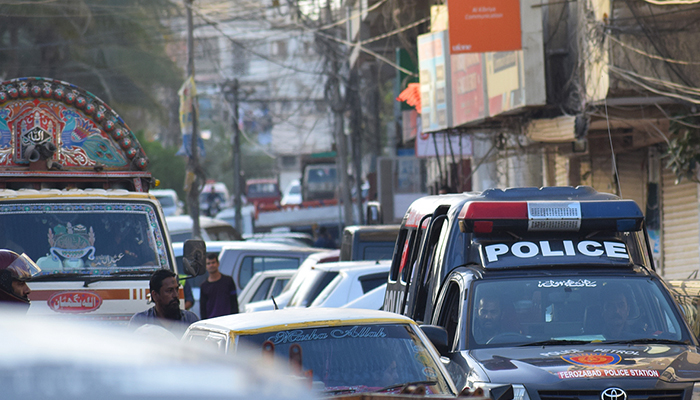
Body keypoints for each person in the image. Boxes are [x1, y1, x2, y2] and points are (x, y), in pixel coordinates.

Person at [128, 269, 199, 338]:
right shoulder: (139, 321)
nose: (176, 295)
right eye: (169, 291)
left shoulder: (190, 321)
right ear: (155, 295)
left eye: (176, 289)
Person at [200, 253, 239, 319]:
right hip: (212, 321)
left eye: (213, 262)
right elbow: (203, 309)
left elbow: (234, 302)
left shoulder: (228, 281)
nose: (211, 265)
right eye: (208, 263)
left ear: (218, 264)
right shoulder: (204, 286)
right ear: (205, 266)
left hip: (228, 319)